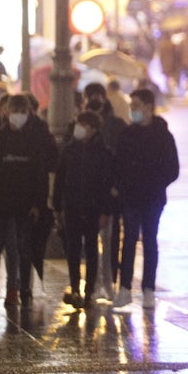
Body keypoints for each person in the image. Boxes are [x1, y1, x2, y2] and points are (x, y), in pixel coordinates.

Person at [0, 93, 57, 310]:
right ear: (6, 112)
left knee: (22, 247)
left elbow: (39, 174)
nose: (18, 116)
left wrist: (37, 204)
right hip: (0, 202)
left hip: (24, 204)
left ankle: (17, 288)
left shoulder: (32, 141)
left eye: (23, 112)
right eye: (15, 111)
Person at [113, 88, 179, 309]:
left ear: (149, 108)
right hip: (131, 197)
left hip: (153, 197)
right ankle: (125, 288)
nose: (132, 111)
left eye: (136, 106)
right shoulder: (126, 134)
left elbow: (173, 169)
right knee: (129, 240)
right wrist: (121, 187)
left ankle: (148, 288)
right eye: (131, 107)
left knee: (150, 240)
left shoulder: (163, 136)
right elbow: (118, 165)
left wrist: (156, 183)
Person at [55, 111, 114, 308]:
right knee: (72, 248)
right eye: (78, 124)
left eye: (84, 126)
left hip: (93, 207)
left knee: (90, 248)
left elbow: (107, 184)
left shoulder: (103, 153)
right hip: (71, 205)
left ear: (94, 129)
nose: (79, 129)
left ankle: (89, 291)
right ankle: (74, 287)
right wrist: (57, 206)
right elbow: (60, 178)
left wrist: (105, 211)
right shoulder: (69, 150)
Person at [81, 82, 126, 301]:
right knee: (91, 240)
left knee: (110, 238)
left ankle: (108, 281)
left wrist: (117, 185)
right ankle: (94, 283)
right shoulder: (80, 124)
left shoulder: (116, 125)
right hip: (88, 192)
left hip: (108, 190)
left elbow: (119, 157)